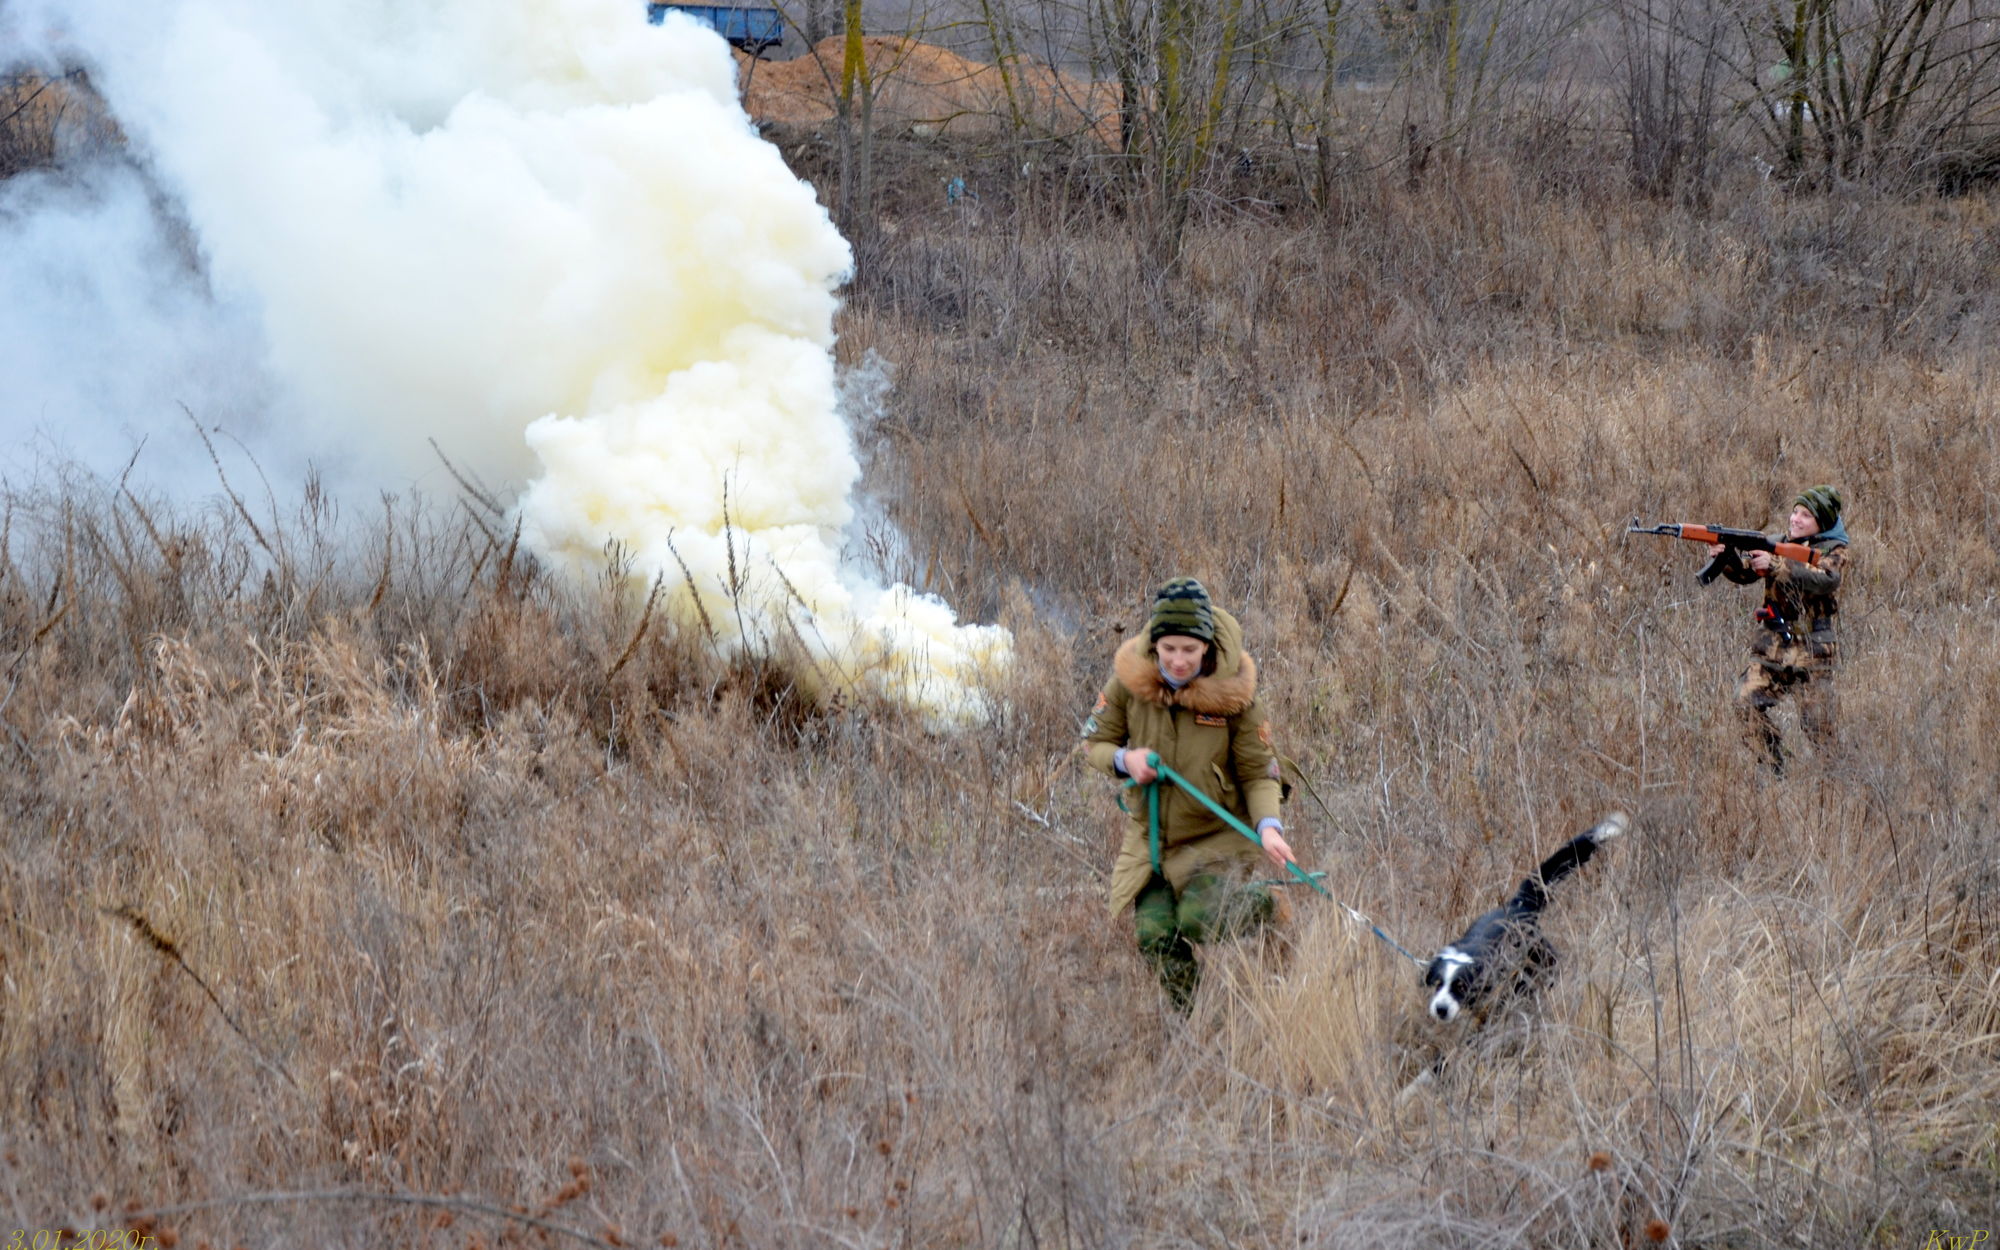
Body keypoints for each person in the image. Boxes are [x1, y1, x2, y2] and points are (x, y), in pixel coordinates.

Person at [1082, 578, 1295, 1010]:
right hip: (1153, 838)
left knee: (1197, 920)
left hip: (1216, 836)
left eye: (1190, 650)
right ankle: (1193, 1020)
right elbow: (1094, 743)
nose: (1178, 660)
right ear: (1154, 644)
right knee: (1154, 934)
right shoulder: (1127, 682)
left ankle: (1269, 905)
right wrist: (1126, 760)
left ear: (1207, 647)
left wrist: (1269, 827)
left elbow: (1259, 772)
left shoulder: (1236, 695)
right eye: (1169, 649)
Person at [1708, 485, 1851, 773]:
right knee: (1745, 703)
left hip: (1813, 650)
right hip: (1772, 647)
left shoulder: (1835, 551)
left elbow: (1827, 579)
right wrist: (1724, 557)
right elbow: (1746, 573)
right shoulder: (1775, 542)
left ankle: (1839, 781)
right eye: (1795, 512)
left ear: (1822, 522)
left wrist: (1776, 565)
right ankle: (1773, 770)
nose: (1795, 519)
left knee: (1818, 727)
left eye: (1806, 515)